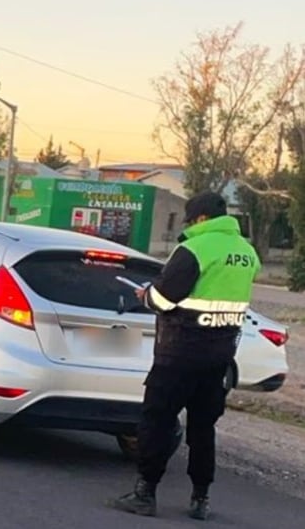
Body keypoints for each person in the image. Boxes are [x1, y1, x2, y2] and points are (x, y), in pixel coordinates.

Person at [111, 191, 260, 520]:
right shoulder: (247, 252)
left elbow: (164, 299)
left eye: (192, 219)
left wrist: (146, 294)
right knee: (203, 428)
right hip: (220, 354)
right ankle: (200, 499)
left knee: (157, 422)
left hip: (179, 353)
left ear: (202, 219)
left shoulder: (194, 248)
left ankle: (145, 493)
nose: (191, 225)